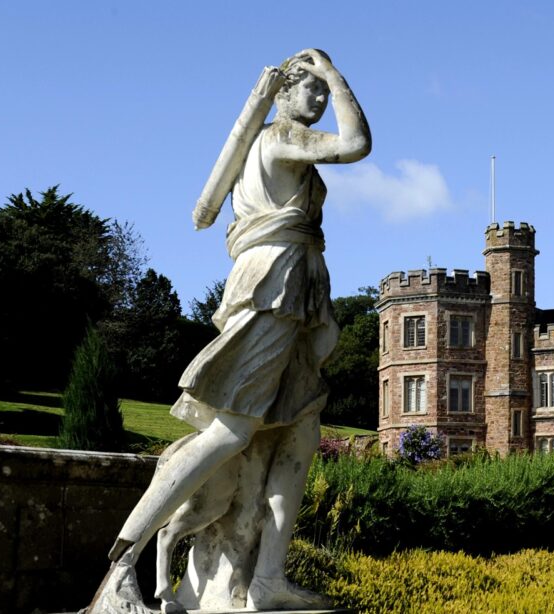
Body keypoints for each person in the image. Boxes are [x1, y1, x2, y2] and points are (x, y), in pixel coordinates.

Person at [88, 48, 370, 613]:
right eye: (310, 88)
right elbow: (356, 144)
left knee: (301, 430)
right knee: (231, 431)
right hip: (273, 287)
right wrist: (337, 75)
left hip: (297, 289)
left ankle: (267, 579)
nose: (320, 98)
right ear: (282, 93)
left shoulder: (273, 144)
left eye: (323, 90)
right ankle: (121, 564)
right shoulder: (280, 138)